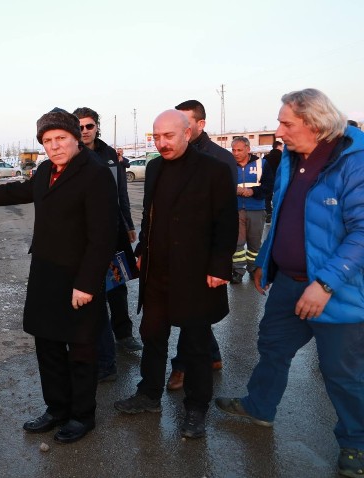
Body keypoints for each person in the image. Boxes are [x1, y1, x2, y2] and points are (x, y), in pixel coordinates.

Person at [214, 88, 364, 478]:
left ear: (315, 125)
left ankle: (356, 444)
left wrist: (326, 284)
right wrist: (266, 260)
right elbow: (283, 213)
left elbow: (362, 232)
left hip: (337, 291)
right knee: (273, 347)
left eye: (286, 123)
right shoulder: (291, 159)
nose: (279, 131)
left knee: (342, 373)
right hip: (288, 283)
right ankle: (260, 407)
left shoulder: (355, 161)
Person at [0, 108, 119, 444]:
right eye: (48, 140)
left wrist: (86, 283)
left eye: (61, 139)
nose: (54, 146)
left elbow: (103, 236)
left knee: (81, 349)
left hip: (78, 278)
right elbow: (16, 192)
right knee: (48, 344)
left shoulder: (95, 173)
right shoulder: (45, 171)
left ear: (75, 139)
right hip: (46, 272)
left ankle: (82, 416)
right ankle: (56, 409)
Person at [113, 110, 236, 439]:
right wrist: (142, 252)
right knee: (152, 336)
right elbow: (150, 215)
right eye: (156, 137)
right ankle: (149, 394)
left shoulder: (214, 170)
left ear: (187, 133)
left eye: (169, 136)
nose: (162, 143)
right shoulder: (154, 168)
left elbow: (226, 223)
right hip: (157, 273)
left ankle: (196, 408)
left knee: (195, 344)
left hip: (196, 275)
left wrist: (220, 266)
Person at [165, 99, 233, 391]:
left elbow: (225, 217)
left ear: (199, 125)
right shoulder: (169, 158)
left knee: (195, 315)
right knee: (195, 316)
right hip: (179, 255)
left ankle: (181, 367)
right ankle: (213, 355)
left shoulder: (219, 160)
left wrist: (220, 262)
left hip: (204, 257)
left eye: (185, 122)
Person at [72, 106, 142, 386]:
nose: (85, 131)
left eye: (89, 126)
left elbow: (120, 192)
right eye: (80, 127)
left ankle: (123, 334)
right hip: (86, 235)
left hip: (113, 230)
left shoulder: (110, 155)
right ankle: (95, 347)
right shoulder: (73, 154)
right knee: (91, 288)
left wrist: (128, 224)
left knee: (117, 283)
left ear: (97, 127)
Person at [230, 136, 274, 284]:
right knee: (237, 243)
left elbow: (269, 186)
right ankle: (237, 271)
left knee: (255, 242)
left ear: (248, 149)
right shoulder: (228, 165)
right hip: (235, 209)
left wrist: (253, 191)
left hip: (256, 208)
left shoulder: (262, 164)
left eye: (239, 150)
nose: (236, 153)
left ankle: (253, 268)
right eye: (234, 150)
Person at [263, 141, 283, 222]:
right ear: (278, 147)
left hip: (268, 180)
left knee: (268, 197)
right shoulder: (283, 158)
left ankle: (268, 212)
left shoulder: (266, 158)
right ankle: (279, 214)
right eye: (282, 147)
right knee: (280, 197)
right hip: (280, 180)